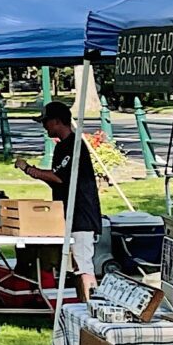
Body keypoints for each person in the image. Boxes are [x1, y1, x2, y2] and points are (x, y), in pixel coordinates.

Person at [16, 100, 102, 300]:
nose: (44, 126)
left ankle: (91, 301)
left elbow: (59, 177)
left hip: (82, 213)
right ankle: (83, 301)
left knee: (83, 264)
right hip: (68, 213)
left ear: (56, 122)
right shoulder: (62, 147)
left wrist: (29, 169)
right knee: (75, 264)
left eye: (45, 122)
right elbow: (59, 182)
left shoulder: (74, 146)